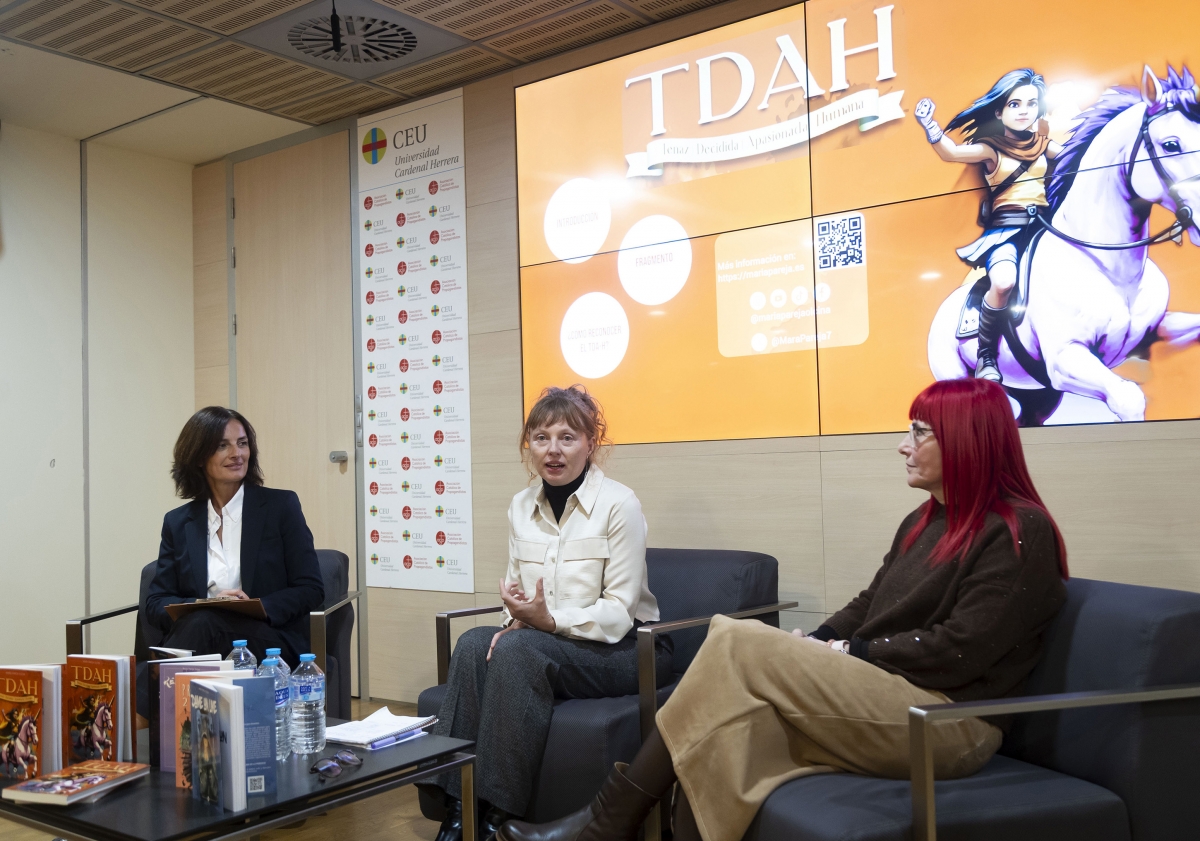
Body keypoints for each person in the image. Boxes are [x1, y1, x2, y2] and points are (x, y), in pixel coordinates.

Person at [498, 378, 1069, 841]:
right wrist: (819, 638)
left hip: (948, 721)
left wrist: (849, 652)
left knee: (733, 636)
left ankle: (606, 822)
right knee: (726, 729)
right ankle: (623, 827)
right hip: (893, 694)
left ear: (966, 440)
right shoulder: (925, 522)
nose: (903, 444)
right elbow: (871, 603)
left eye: (919, 432)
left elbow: (962, 649)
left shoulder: (1019, 532)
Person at [425, 385, 673, 841]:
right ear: (529, 446)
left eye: (567, 437)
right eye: (541, 438)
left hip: (624, 649)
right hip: (548, 640)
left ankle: (497, 813)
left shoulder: (620, 503)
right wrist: (518, 616)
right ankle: (459, 809)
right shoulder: (521, 506)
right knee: (474, 642)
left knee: (518, 652)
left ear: (591, 443)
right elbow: (518, 589)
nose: (553, 450)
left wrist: (546, 622)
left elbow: (619, 612)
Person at [145, 407, 325, 669]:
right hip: (200, 640)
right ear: (197, 456)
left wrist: (256, 606)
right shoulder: (178, 522)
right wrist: (202, 604)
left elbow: (311, 589)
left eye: (242, 443)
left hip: (267, 639)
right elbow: (155, 603)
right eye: (222, 446)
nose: (237, 454)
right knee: (203, 621)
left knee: (200, 626)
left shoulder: (281, 506)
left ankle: (149, 703)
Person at [914, 69, 1063, 383]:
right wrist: (930, 126)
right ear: (999, 111)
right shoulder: (991, 148)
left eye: (1031, 103)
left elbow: (1078, 160)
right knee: (1004, 282)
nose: (1024, 110)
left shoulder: (1045, 146)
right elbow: (952, 153)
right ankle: (986, 356)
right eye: (1014, 104)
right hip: (1007, 231)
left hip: (1045, 227)